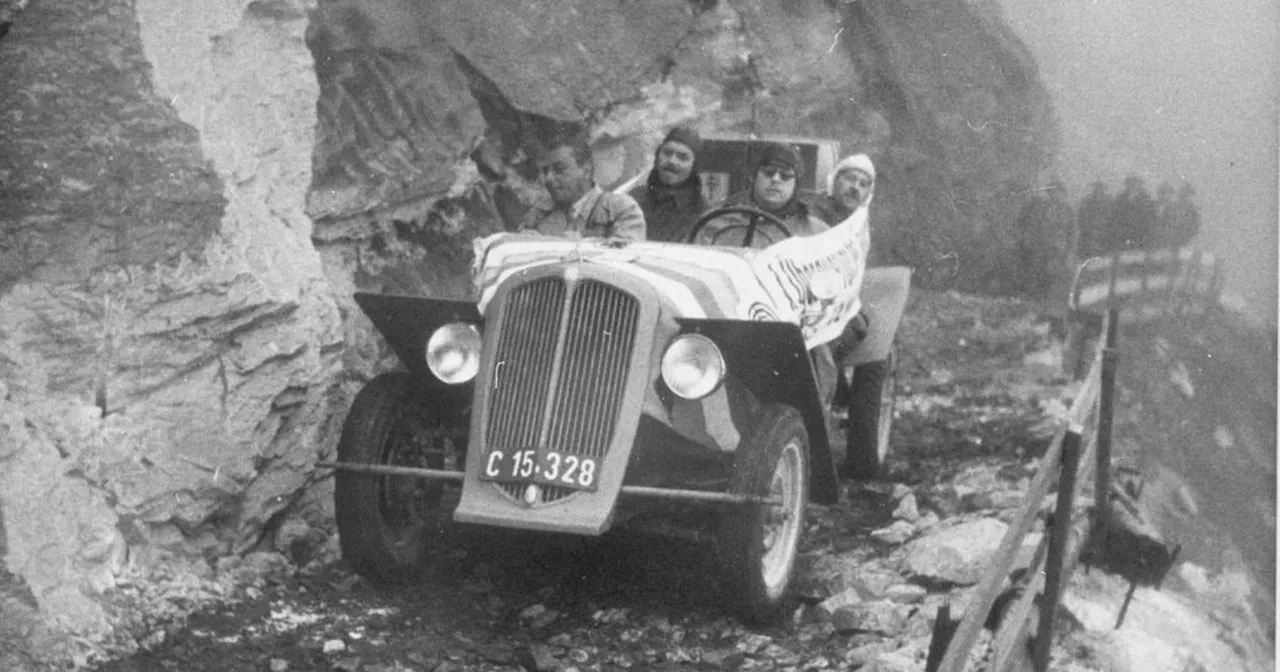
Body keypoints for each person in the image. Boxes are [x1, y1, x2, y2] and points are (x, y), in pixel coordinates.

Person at [696, 142, 828, 247]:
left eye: (785, 176)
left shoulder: (817, 233)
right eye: (769, 172)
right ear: (754, 177)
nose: (776, 179)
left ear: (796, 185)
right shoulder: (716, 220)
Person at [521, 136, 646, 241]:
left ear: (586, 169)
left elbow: (627, 257)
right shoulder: (538, 214)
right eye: (545, 171)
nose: (548, 179)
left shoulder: (620, 209)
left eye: (559, 169)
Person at [628, 126, 708, 242]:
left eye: (683, 157)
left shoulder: (702, 212)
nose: (672, 161)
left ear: (693, 167)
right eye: (667, 153)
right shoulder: (633, 200)